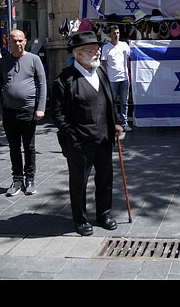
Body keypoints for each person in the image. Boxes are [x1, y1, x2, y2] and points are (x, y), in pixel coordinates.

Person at [51, 31, 123, 236]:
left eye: (97, 49)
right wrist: (70, 134)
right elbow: (57, 113)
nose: (97, 52)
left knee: (105, 178)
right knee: (79, 182)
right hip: (79, 142)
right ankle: (80, 219)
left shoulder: (100, 73)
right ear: (78, 54)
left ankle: (104, 214)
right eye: (92, 49)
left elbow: (110, 101)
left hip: (104, 137)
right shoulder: (64, 80)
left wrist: (115, 122)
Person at [0, 30, 47, 197]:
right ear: (8, 42)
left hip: (29, 111)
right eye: (14, 41)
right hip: (9, 112)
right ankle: (17, 180)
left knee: (29, 147)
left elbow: (42, 84)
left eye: (20, 41)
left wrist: (41, 107)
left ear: (25, 42)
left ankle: (30, 179)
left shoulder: (34, 59)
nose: (17, 44)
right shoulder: (3, 62)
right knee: (14, 148)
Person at [101, 25, 132, 132]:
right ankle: (113, 122)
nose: (116, 35)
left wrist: (128, 72)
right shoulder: (105, 48)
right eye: (114, 33)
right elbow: (103, 64)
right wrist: (104, 79)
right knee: (111, 102)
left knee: (125, 102)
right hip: (112, 80)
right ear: (109, 34)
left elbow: (129, 59)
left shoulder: (124, 45)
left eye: (118, 33)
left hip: (124, 78)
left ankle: (124, 122)